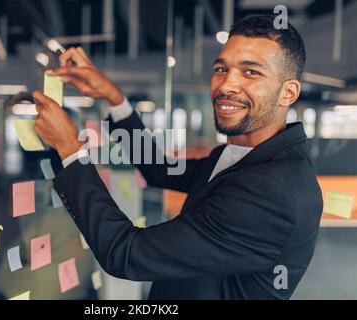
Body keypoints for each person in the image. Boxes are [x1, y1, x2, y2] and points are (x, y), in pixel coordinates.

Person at [32, 15, 323, 299]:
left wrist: (70, 149)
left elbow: (124, 254)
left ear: (288, 93)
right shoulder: (246, 156)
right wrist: (114, 98)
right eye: (221, 69)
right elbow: (159, 170)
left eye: (251, 72)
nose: (226, 85)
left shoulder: (272, 190)